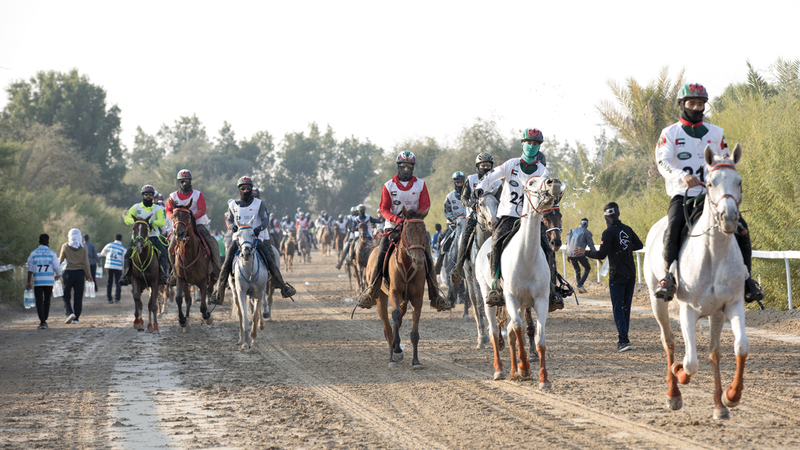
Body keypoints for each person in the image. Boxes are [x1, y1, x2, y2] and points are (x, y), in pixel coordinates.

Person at [653, 83, 763, 303]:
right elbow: (661, 162)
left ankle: (746, 280)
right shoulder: (670, 133)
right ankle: (668, 278)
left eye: (700, 104)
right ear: (682, 105)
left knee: (741, 228)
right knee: (673, 228)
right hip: (683, 194)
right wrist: (682, 176)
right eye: (691, 103)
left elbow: (726, 161)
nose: (696, 107)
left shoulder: (716, 133)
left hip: (714, 196)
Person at [473, 128, 564, 311]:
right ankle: (495, 288)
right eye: (529, 143)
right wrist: (480, 187)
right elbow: (490, 177)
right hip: (509, 215)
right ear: (522, 144)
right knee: (496, 243)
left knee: (547, 248)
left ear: (539, 147)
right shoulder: (511, 165)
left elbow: (548, 195)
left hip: (532, 218)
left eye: (536, 144)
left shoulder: (542, 171)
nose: (532, 146)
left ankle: (552, 290)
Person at [355, 150, 448, 311]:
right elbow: (383, 208)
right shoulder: (388, 185)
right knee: (381, 253)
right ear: (399, 166)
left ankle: (435, 296)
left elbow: (426, 204)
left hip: (415, 227)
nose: (406, 169)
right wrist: (397, 219)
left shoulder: (420, 184)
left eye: (409, 166)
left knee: (427, 256)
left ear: (413, 167)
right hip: (393, 227)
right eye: (403, 166)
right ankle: (371, 291)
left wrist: (416, 217)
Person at [213, 176, 296, 303]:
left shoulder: (259, 204)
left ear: (251, 189)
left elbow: (265, 219)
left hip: (257, 239)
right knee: (226, 264)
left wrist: (259, 228)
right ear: (239, 189)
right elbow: (229, 219)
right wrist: (232, 226)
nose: (246, 190)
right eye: (243, 188)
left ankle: (282, 287)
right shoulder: (232, 204)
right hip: (239, 240)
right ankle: (219, 293)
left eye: (248, 188)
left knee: (271, 260)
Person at [575, 203, 643, 352]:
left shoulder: (608, 232)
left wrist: (584, 252)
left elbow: (601, 254)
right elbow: (639, 245)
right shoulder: (627, 229)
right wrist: (624, 247)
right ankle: (624, 338)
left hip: (617, 275)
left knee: (618, 307)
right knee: (626, 307)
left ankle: (623, 341)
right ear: (618, 214)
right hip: (631, 273)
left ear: (606, 216)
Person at [165, 169, 222, 292]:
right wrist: (176, 219)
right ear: (179, 182)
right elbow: (168, 210)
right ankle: (174, 274)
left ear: (190, 181)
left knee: (211, 242)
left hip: (198, 223)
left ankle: (218, 270)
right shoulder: (173, 196)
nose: (185, 183)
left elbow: (202, 209)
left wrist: (190, 219)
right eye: (182, 181)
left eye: (187, 181)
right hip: (180, 226)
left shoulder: (197, 194)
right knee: (170, 249)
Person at [450, 152, 503, 284]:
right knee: (465, 236)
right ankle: (458, 267)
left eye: (488, 165)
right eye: (483, 165)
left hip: (494, 215)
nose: (485, 168)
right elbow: (463, 198)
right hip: (475, 215)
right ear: (477, 166)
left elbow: (501, 198)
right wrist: (472, 204)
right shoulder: (471, 179)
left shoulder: (498, 180)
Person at [120, 184, 170, 286]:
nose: (148, 196)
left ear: (153, 196)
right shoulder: (136, 207)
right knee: (128, 253)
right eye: (146, 194)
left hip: (153, 236)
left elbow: (161, 222)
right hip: (137, 237)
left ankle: (164, 275)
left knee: (163, 252)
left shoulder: (158, 208)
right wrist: (137, 221)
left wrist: (151, 222)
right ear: (142, 195)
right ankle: (126, 275)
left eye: (150, 194)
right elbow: (126, 218)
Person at [433, 171, 467, 275]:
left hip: (468, 224)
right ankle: (438, 265)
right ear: (454, 183)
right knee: (443, 241)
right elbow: (447, 212)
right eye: (458, 182)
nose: (460, 184)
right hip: (454, 225)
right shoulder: (450, 197)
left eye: (461, 182)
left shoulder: (470, 195)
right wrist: (454, 220)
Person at [26, 234, 62, 329]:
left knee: (39, 301)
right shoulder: (52, 253)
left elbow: (30, 269)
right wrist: (58, 275)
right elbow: (57, 267)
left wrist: (28, 281)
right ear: (48, 242)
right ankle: (45, 318)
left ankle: (42, 321)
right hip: (49, 281)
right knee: (47, 300)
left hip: (38, 281)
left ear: (39, 241)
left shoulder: (33, 253)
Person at [59, 228, 93, 325]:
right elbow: (86, 263)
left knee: (66, 295)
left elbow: (60, 261)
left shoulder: (65, 246)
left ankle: (70, 313)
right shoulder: (84, 247)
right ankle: (76, 318)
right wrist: (89, 276)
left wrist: (56, 274)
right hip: (80, 273)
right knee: (78, 297)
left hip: (68, 274)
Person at [336, 204, 382, 270]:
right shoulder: (355, 219)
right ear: (358, 211)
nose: (362, 212)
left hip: (368, 236)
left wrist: (381, 220)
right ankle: (346, 260)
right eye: (360, 211)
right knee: (350, 245)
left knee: (376, 246)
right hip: (358, 236)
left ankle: (379, 261)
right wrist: (354, 228)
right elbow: (352, 227)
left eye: (363, 211)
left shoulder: (368, 217)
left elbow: (375, 220)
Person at [566, 218, 594, 294]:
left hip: (570, 253)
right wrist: (596, 255)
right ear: (587, 224)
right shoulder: (587, 232)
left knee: (577, 270)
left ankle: (579, 289)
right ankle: (580, 284)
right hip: (579, 253)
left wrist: (567, 254)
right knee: (587, 268)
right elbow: (591, 245)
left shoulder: (571, 231)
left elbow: (567, 242)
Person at [100, 234, 126, 304]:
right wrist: (123, 269)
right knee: (118, 283)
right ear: (121, 240)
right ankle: (117, 299)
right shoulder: (123, 248)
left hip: (108, 266)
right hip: (118, 267)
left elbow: (102, 253)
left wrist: (108, 256)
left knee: (109, 282)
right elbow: (123, 260)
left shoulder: (109, 245)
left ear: (114, 239)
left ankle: (109, 299)